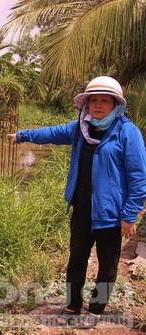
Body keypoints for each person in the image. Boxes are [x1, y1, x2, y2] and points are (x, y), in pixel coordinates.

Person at [8, 76, 146, 327]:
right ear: (87, 104)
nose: (98, 105)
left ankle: (95, 310)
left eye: (105, 100)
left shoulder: (127, 133)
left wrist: (130, 214)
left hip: (111, 215)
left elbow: (138, 177)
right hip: (82, 210)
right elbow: (52, 132)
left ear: (116, 104)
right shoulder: (80, 128)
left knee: (107, 267)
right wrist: (22, 135)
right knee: (76, 260)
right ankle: (72, 306)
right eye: (94, 100)